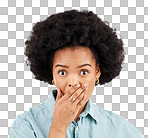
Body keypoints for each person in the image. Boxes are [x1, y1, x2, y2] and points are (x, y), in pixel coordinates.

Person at [9, 9, 143, 138]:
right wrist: (58, 127)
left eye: (84, 72)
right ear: (52, 74)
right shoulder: (26, 125)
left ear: (97, 73)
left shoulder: (120, 130)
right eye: (62, 72)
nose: (73, 82)